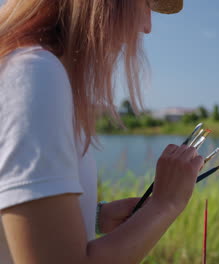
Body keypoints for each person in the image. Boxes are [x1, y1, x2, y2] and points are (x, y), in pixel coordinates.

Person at [0, 0, 203, 263]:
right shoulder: (34, 75)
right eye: (144, 4)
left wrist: (95, 216)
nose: (146, 26)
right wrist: (165, 205)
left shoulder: (24, 67)